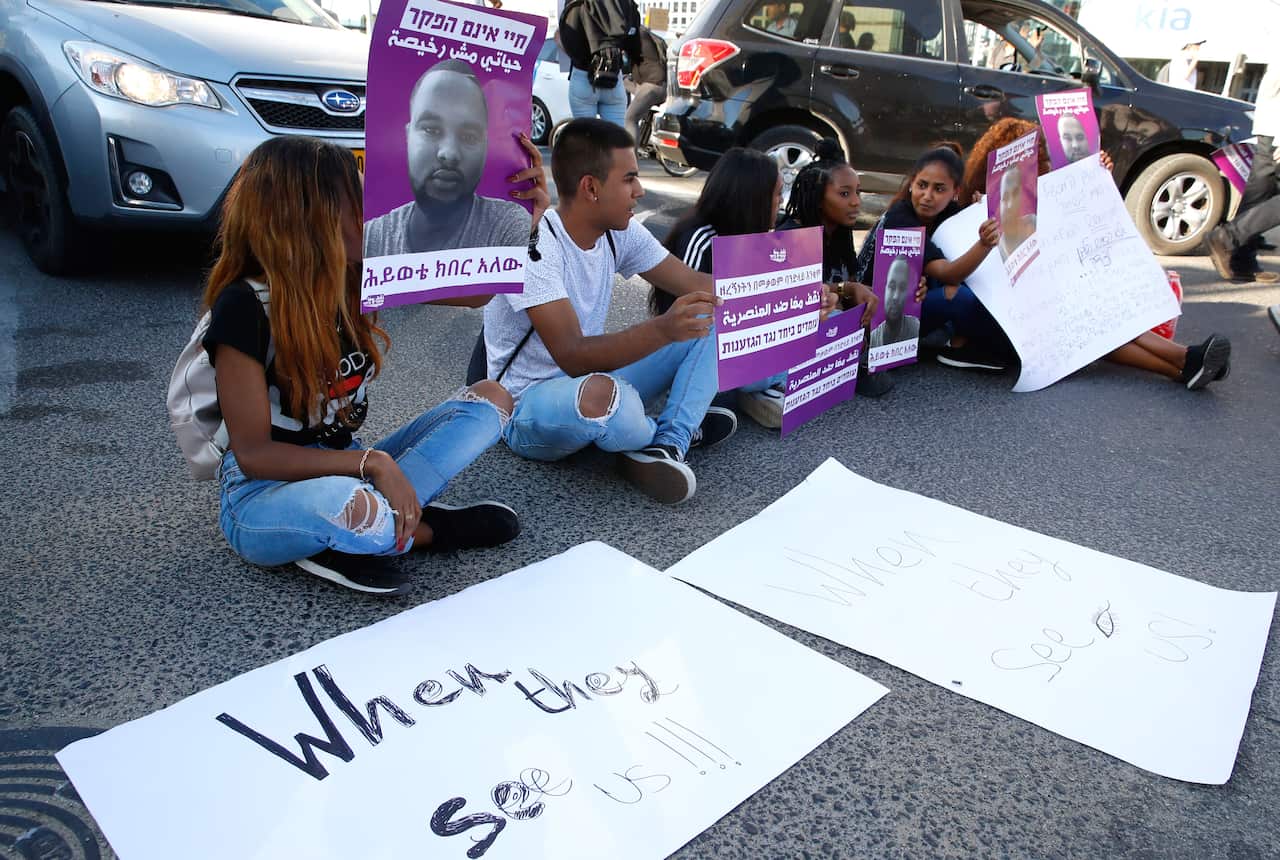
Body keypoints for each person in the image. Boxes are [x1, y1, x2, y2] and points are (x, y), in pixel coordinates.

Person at [202, 137, 524, 595]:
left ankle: (380, 524)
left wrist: (520, 210)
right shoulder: (244, 305)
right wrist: (373, 463)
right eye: (355, 199)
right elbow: (253, 455)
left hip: (346, 469)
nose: (371, 210)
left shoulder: (354, 276)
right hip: (263, 495)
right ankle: (423, 529)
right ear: (305, 216)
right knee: (361, 512)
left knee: (491, 399)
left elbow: (478, 292)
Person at [482, 119, 739, 504]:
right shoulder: (535, 243)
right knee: (603, 396)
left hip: (594, 377)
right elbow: (571, 355)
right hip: (526, 408)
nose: (640, 190)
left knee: (707, 318)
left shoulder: (620, 231)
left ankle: (666, 445)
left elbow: (697, 284)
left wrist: (800, 292)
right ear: (591, 188)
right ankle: (669, 429)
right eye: (630, 179)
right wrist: (665, 330)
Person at [962, 121, 1234, 389]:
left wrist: (1097, 176)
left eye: (1038, 156)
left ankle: (1185, 366)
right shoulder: (980, 201)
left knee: (1100, 317)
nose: (1037, 163)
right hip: (1018, 310)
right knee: (1092, 324)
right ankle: (1184, 359)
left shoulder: (1039, 191)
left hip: (1053, 292)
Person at [648, 147, 836, 429]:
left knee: (833, 320)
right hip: (703, 353)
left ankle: (762, 389)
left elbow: (773, 301)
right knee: (725, 401)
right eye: (775, 194)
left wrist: (813, 297)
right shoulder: (701, 238)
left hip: (748, 346)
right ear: (753, 199)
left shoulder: (761, 238)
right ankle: (762, 387)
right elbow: (691, 323)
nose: (781, 202)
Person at [855, 144, 1008, 371]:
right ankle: (998, 348)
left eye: (939, 189)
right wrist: (984, 243)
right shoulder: (901, 218)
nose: (927, 196)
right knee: (957, 296)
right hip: (878, 315)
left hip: (917, 299)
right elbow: (950, 273)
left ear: (955, 192)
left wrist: (978, 208)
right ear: (912, 184)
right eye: (922, 185)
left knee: (975, 279)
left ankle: (962, 339)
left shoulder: (949, 212)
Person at [363, 61, 540, 257]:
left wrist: (531, 235)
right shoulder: (373, 238)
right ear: (407, 136)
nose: (449, 154)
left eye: (469, 137)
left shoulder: (507, 226)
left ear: (486, 146)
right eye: (431, 129)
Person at [779, 139, 896, 397]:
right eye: (845, 194)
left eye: (858, 192)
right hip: (796, 331)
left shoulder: (840, 232)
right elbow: (792, 299)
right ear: (819, 199)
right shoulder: (791, 236)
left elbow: (851, 283)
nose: (856, 201)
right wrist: (846, 290)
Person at [1206, 63, 1280, 284]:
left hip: (1270, 126)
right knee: (1262, 193)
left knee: (1259, 194)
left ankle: (1241, 261)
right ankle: (1228, 237)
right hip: (1275, 128)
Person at [624, 27, 667, 148]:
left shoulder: (636, 34)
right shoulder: (646, 35)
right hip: (658, 85)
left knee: (630, 119)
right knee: (625, 82)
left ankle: (630, 160)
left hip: (652, 85)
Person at [868, 256, 921, 348]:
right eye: (892, 287)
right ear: (884, 288)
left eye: (902, 288)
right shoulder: (874, 338)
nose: (896, 296)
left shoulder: (914, 327)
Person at [996, 163, 1036, 262]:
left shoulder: (1035, 222)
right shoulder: (997, 249)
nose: (1009, 205)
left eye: (1015, 194)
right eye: (1005, 198)